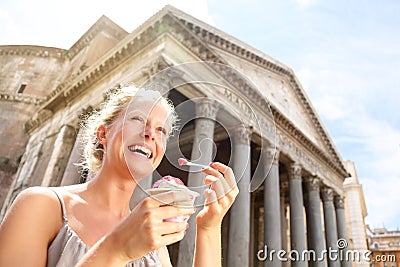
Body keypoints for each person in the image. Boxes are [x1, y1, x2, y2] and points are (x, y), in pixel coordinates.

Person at [0, 86, 239, 267]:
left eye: (161, 130)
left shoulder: (152, 238)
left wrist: (208, 227)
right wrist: (115, 250)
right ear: (103, 133)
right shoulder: (40, 205)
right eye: (137, 120)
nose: (150, 135)